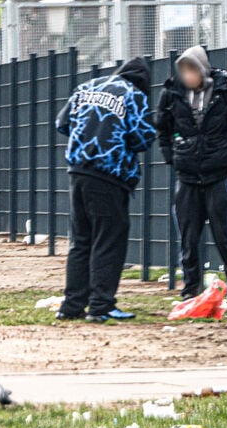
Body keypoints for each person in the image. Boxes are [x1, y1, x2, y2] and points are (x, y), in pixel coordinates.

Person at [55, 58, 156, 323]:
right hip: (109, 176)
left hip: (77, 171)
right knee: (109, 240)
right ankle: (101, 305)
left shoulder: (87, 86)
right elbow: (144, 137)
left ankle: (71, 305)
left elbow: (62, 123)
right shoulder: (133, 95)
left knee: (81, 241)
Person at [156, 46, 227, 304]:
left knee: (225, 237)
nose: (188, 76)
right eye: (184, 70)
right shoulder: (171, 93)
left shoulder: (224, 90)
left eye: (192, 70)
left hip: (217, 173)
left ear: (202, 69)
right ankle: (190, 289)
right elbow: (162, 128)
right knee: (188, 237)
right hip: (186, 175)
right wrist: (172, 157)